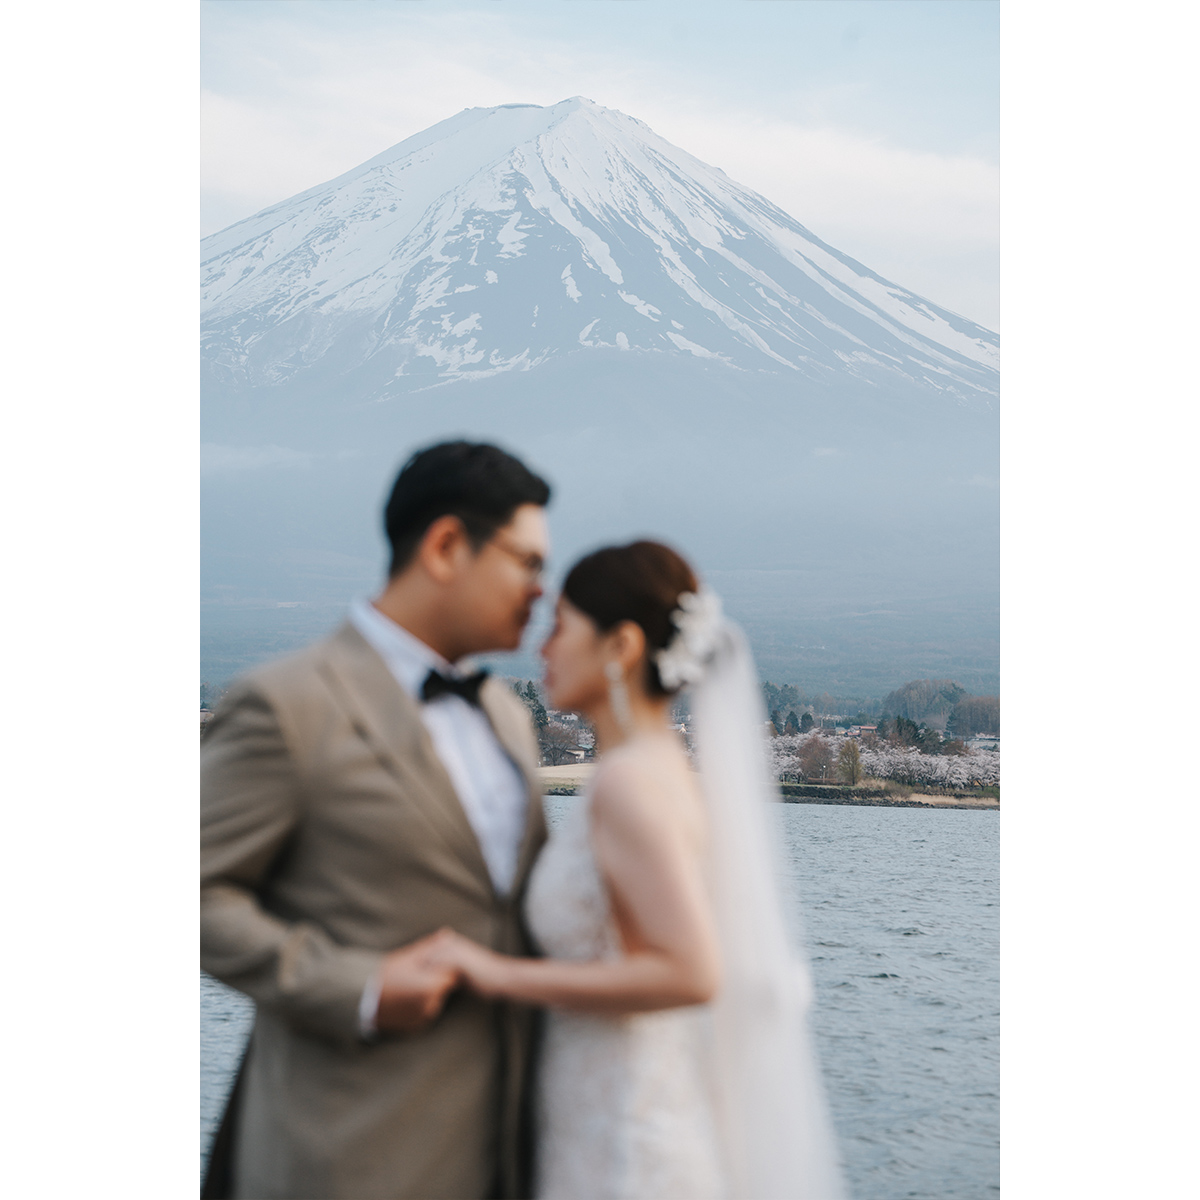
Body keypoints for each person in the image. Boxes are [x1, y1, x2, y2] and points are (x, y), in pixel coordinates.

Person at [425, 541, 846, 1200]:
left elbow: (689, 970)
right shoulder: (660, 772)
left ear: (621, 645)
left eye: (562, 626)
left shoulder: (628, 784)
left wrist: (493, 974)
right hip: (615, 1111)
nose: (542, 649)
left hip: (619, 1144)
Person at [200, 441, 553, 1200]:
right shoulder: (287, 704)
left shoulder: (506, 715)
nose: (540, 591)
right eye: (526, 562)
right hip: (343, 1153)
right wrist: (355, 987)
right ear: (447, 546)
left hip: (511, 1156)